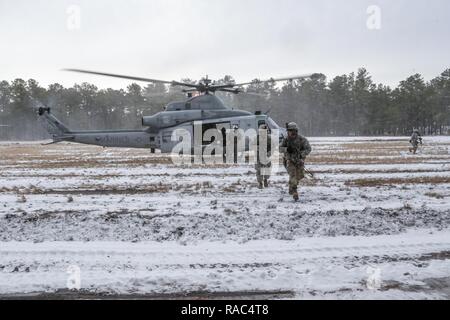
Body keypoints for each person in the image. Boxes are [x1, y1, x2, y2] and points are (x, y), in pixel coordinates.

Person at [280, 122, 312, 201]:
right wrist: (287, 149)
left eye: (293, 130)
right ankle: (294, 191)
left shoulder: (302, 139)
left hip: (299, 161)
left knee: (300, 176)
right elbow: (279, 148)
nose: (292, 132)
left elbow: (308, 149)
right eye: (290, 130)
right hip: (289, 161)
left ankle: (291, 187)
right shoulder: (286, 140)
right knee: (293, 175)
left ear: (296, 131)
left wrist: (301, 154)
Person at [255, 124, 272, 189]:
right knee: (259, 170)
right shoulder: (257, 138)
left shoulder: (269, 138)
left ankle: (265, 180)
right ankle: (260, 183)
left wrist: (269, 153)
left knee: (267, 169)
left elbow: (272, 147)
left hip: (266, 156)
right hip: (258, 156)